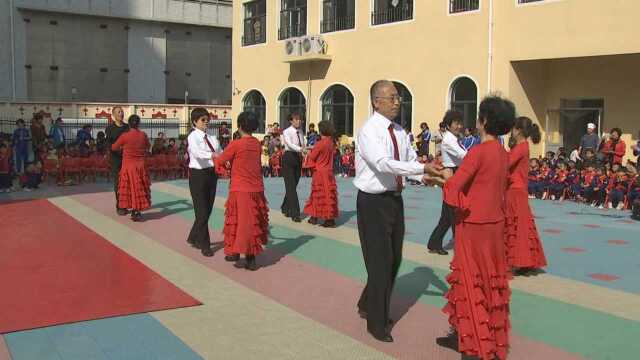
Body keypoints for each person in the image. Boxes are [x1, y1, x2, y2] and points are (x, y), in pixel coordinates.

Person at [354, 80, 445, 343]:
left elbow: (407, 164)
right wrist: (421, 170)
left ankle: (368, 303)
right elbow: (383, 164)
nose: (397, 102)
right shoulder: (369, 131)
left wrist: (427, 176)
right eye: (391, 97)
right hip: (372, 203)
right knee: (380, 262)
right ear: (376, 102)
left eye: (398, 97)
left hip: (394, 200)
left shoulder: (400, 131)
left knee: (393, 259)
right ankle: (377, 322)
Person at [437, 95, 515, 360]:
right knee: (491, 284)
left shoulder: (477, 153)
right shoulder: (503, 154)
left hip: (472, 226)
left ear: (483, 121)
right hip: (494, 226)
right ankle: (483, 338)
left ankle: (473, 345)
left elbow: (454, 188)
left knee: (470, 283)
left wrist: (442, 179)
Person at [214, 112, 269, 271]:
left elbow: (221, 160)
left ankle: (249, 257)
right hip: (256, 188)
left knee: (240, 222)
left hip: (240, 189)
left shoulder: (236, 144)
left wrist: (213, 157)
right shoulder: (256, 144)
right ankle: (237, 252)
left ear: (239, 126)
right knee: (251, 221)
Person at [506, 117, 548, 276]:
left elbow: (506, 163)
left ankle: (516, 260)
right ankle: (526, 261)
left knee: (514, 225)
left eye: (513, 129)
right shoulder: (523, 146)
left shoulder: (520, 148)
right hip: (519, 189)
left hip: (514, 190)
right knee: (523, 226)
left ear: (518, 131)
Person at [427, 110, 467, 256]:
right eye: (456, 123)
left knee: (447, 216)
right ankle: (461, 245)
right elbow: (463, 155)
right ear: (448, 125)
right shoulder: (449, 140)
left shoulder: (454, 138)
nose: (459, 126)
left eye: (460, 123)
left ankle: (434, 243)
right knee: (454, 213)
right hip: (452, 176)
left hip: (455, 174)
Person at [186, 108, 222, 257]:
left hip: (211, 175)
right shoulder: (193, 137)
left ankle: (193, 237)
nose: (206, 122)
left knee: (207, 210)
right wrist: (212, 155)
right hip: (197, 175)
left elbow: (221, 152)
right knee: (201, 211)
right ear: (195, 122)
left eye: (207, 120)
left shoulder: (213, 138)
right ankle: (205, 244)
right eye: (203, 120)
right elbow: (197, 153)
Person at [111, 115, 151, 222]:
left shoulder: (125, 136)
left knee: (131, 188)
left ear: (128, 124)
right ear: (138, 124)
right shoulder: (143, 135)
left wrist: (123, 147)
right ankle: (136, 210)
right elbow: (148, 146)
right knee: (139, 188)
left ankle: (133, 209)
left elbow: (114, 147)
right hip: (140, 165)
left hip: (128, 166)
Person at [304, 120, 339, 228]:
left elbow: (312, 156)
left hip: (320, 172)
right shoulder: (331, 142)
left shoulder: (320, 144)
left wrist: (307, 152)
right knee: (328, 195)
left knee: (317, 195)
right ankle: (329, 218)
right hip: (329, 172)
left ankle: (315, 217)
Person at [280, 112, 305, 222]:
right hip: (288, 157)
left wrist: (303, 150)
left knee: (293, 185)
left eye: (299, 119)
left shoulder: (300, 131)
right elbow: (289, 144)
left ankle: (285, 207)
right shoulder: (286, 131)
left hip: (298, 158)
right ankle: (295, 213)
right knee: (290, 186)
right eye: (296, 119)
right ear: (291, 121)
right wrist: (300, 149)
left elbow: (302, 143)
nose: (298, 121)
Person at [105, 106, 130, 215]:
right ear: (114, 115)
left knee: (127, 183)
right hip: (116, 159)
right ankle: (120, 205)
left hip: (127, 159)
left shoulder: (127, 127)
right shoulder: (110, 129)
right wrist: (117, 150)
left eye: (122, 112)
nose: (121, 114)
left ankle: (126, 204)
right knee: (118, 183)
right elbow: (108, 144)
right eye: (119, 112)